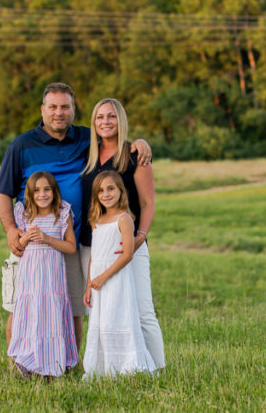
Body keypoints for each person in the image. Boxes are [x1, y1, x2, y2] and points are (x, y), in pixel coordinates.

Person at [0, 82, 151, 351]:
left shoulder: (85, 139)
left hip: (71, 241)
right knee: (21, 304)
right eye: (53, 107)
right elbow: (2, 193)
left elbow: (114, 137)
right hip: (30, 241)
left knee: (73, 307)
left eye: (65, 107)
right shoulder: (21, 145)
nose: (59, 112)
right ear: (42, 110)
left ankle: (69, 363)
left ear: (74, 110)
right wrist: (11, 230)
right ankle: (16, 364)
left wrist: (140, 143)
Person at [80, 97, 165, 369]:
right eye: (100, 117)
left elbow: (148, 203)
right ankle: (111, 366)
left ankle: (159, 368)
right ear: (93, 122)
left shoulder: (135, 155)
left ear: (121, 121)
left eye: (112, 116)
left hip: (132, 246)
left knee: (142, 311)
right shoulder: (88, 156)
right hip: (98, 248)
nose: (106, 122)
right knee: (105, 311)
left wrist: (141, 236)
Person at [81, 171, 157, 378]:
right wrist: (89, 284)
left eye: (111, 188)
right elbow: (93, 256)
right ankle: (105, 367)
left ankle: (127, 366)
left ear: (120, 191)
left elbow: (127, 255)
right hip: (97, 280)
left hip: (115, 279)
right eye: (101, 190)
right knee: (101, 322)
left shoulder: (124, 219)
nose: (106, 194)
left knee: (117, 319)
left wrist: (104, 277)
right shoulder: (96, 219)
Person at [6, 171, 78, 378]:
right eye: (37, 190)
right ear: (30, 194)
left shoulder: (62, 213)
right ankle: (28, 360)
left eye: (47, 189)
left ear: (54, 192)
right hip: (30, 277)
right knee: (31, 315)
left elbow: (71, 247)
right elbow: (17, 247)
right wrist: (26, 237)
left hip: (52, 276)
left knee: (51, 315)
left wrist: (47, 239)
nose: (42, 194)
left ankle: (53, 364)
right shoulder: (25, 214)